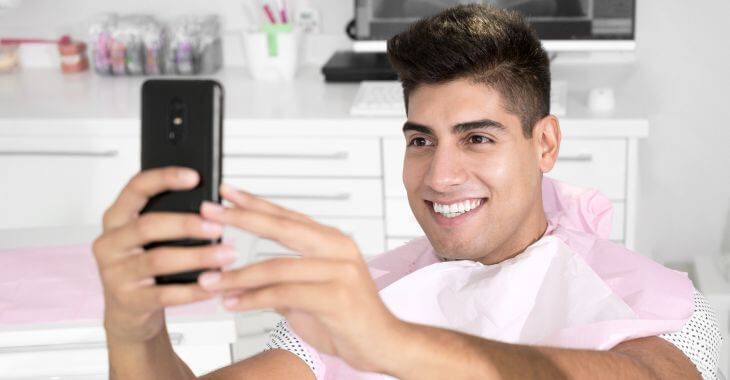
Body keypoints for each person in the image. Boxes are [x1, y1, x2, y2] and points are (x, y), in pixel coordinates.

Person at [91, 5, 723, 380]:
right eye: (421, 140)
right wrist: (134, 329)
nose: (439, 177)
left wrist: (397, 346)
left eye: (477, 139)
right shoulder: (371, 292)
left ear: (545, 143)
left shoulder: (646, 294)